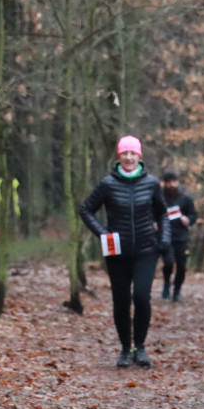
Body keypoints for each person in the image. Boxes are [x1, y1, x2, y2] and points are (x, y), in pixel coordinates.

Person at [80, 135, 170, 368]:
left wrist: (164, 239)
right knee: (121, 301)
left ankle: (140, 347)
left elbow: (163, 213)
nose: (129, 157)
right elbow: (86, 210)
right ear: (118, 156)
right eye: (124, 153)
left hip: (145, 249)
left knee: (141, 297)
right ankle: (124, 348)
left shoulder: (151, 183)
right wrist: (103, 234)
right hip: (116, 251)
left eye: (133, 153)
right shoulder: (107, 184)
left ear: (139, 156)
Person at [158, 168, 198, 302]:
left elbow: (193, 214)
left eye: (174, 181)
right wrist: (155, 224)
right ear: (165, 183)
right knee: (168, 262)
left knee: (181, 265)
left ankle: (177, 291)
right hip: (165, 235)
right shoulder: (160, 197)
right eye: (169, 182)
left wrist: (187, 220)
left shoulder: (185, 198)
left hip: (181, 236)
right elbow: (153, 213)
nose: (172, 185)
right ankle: (166, 284)